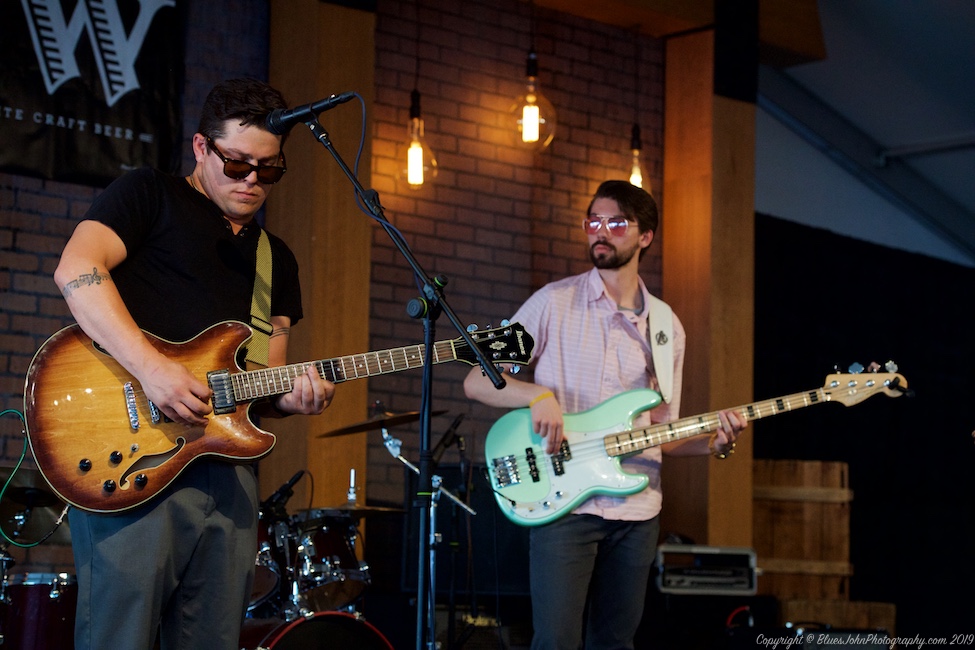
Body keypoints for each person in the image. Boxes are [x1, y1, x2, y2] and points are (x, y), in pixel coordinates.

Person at [53, 78, 334, 650]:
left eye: (270, 169)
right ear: (202, 148)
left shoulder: (274, 258)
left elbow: (259, 381)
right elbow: (75, 270)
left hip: (226, 474)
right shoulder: (147, 193)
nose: (253, 179)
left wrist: (294, 396)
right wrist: (153, 368)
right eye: (237, 164)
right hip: (132, 458)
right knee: (120, 638)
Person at [463, 180, 746, 650]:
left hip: (637, 510)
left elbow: (664, 435)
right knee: (555, 641)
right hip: (562, 502)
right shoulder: (552, 302)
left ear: (645, 236)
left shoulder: (666, 327)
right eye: (593, 221)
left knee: (615, 643)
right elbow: (477, 380)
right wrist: (534, 394)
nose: (601, 231)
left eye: (616, 223)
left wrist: (714, 443)